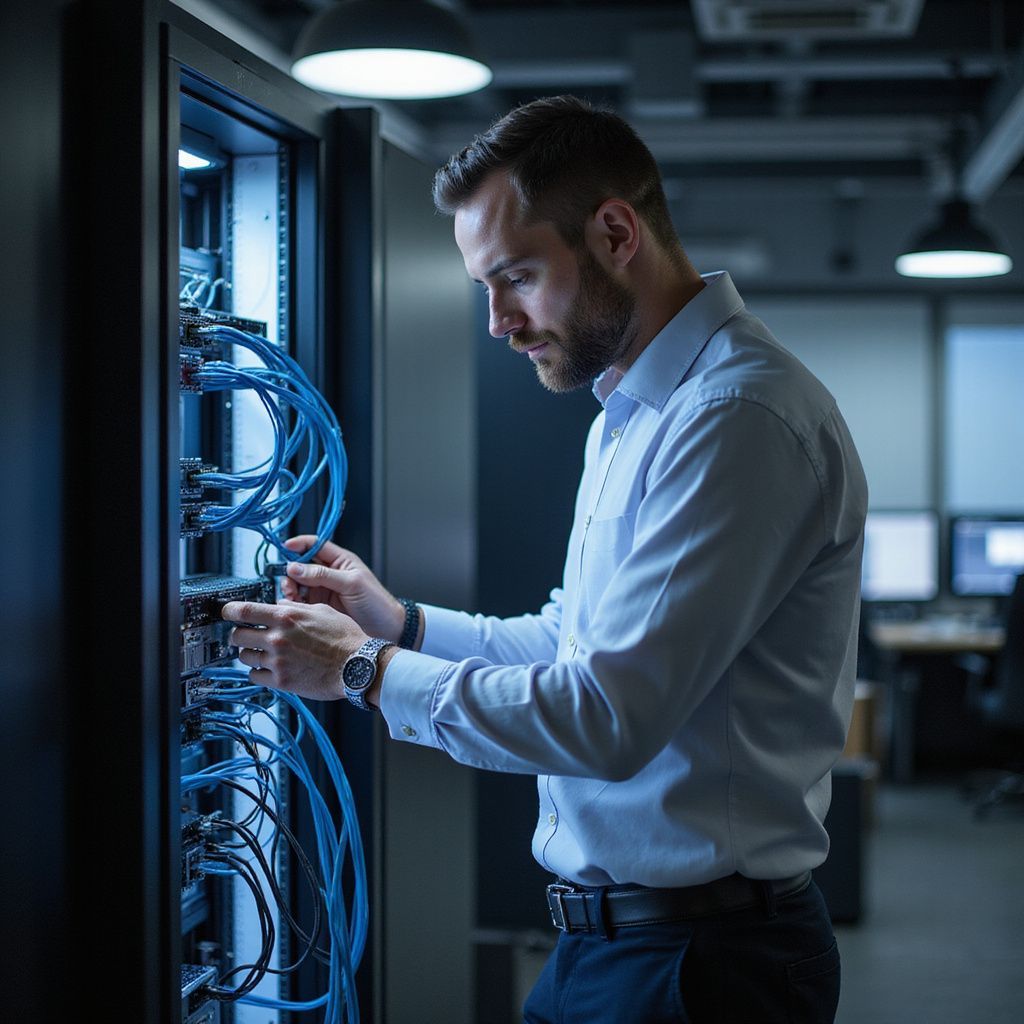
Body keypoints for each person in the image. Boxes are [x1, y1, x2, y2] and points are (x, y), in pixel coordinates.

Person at [222, 95, 867, 1023]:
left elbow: (607, 719)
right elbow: (575, 643)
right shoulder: (636, 410)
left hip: (702, 966)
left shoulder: (737, 420)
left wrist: (359, 670)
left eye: (516, 277)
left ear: (614, 232)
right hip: (615, 946)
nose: (499, 322)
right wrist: (399, 623)